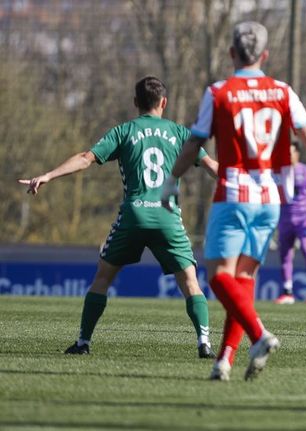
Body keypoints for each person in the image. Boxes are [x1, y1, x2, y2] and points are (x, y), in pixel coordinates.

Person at [162, 21, 306, 381]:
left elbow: (195, 142)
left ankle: (259, 335)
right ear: (264, 55)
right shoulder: (281, 91)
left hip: (233, 195)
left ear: (231, 53)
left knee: (218, 278)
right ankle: (225, 360)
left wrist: (172, 181)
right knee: (243, 280)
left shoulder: (219, 92)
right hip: (270, 198)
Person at [18, 76, 218, 359]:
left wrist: (48, 175)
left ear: (136, 103)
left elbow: (87, 157)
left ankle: (83, 342)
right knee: (189, 280)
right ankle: (204, 343)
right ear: (164, 102)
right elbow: (212, 167)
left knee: (103, 277)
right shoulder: (180, 133)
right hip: (167, 215)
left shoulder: (124, 131)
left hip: (134, 214)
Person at [274, 141, 306, 305]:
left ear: (297, 153)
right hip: (284, 219)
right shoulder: (277, 171)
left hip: (304, 220)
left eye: (290, 153)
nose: (288, 156)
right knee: (285, 254)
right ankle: (287, 292)